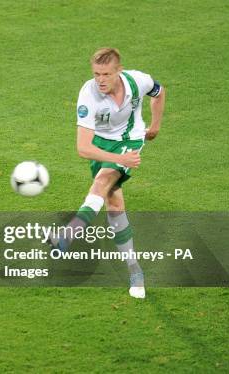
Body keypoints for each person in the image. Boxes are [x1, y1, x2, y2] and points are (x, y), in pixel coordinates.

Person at [51, 48, 165, 299]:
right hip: (101, 148)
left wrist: (155, 125)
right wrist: (118, 158)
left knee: (102, 182)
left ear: (118, 72)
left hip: (130, 141)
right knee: (114, 203)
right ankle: (135, 270)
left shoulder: (138, 80)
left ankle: (68, 235)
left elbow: (159, 91)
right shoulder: (88, 95)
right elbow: (83, 148)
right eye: (96, 74)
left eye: (105, 74)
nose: (100, 79)